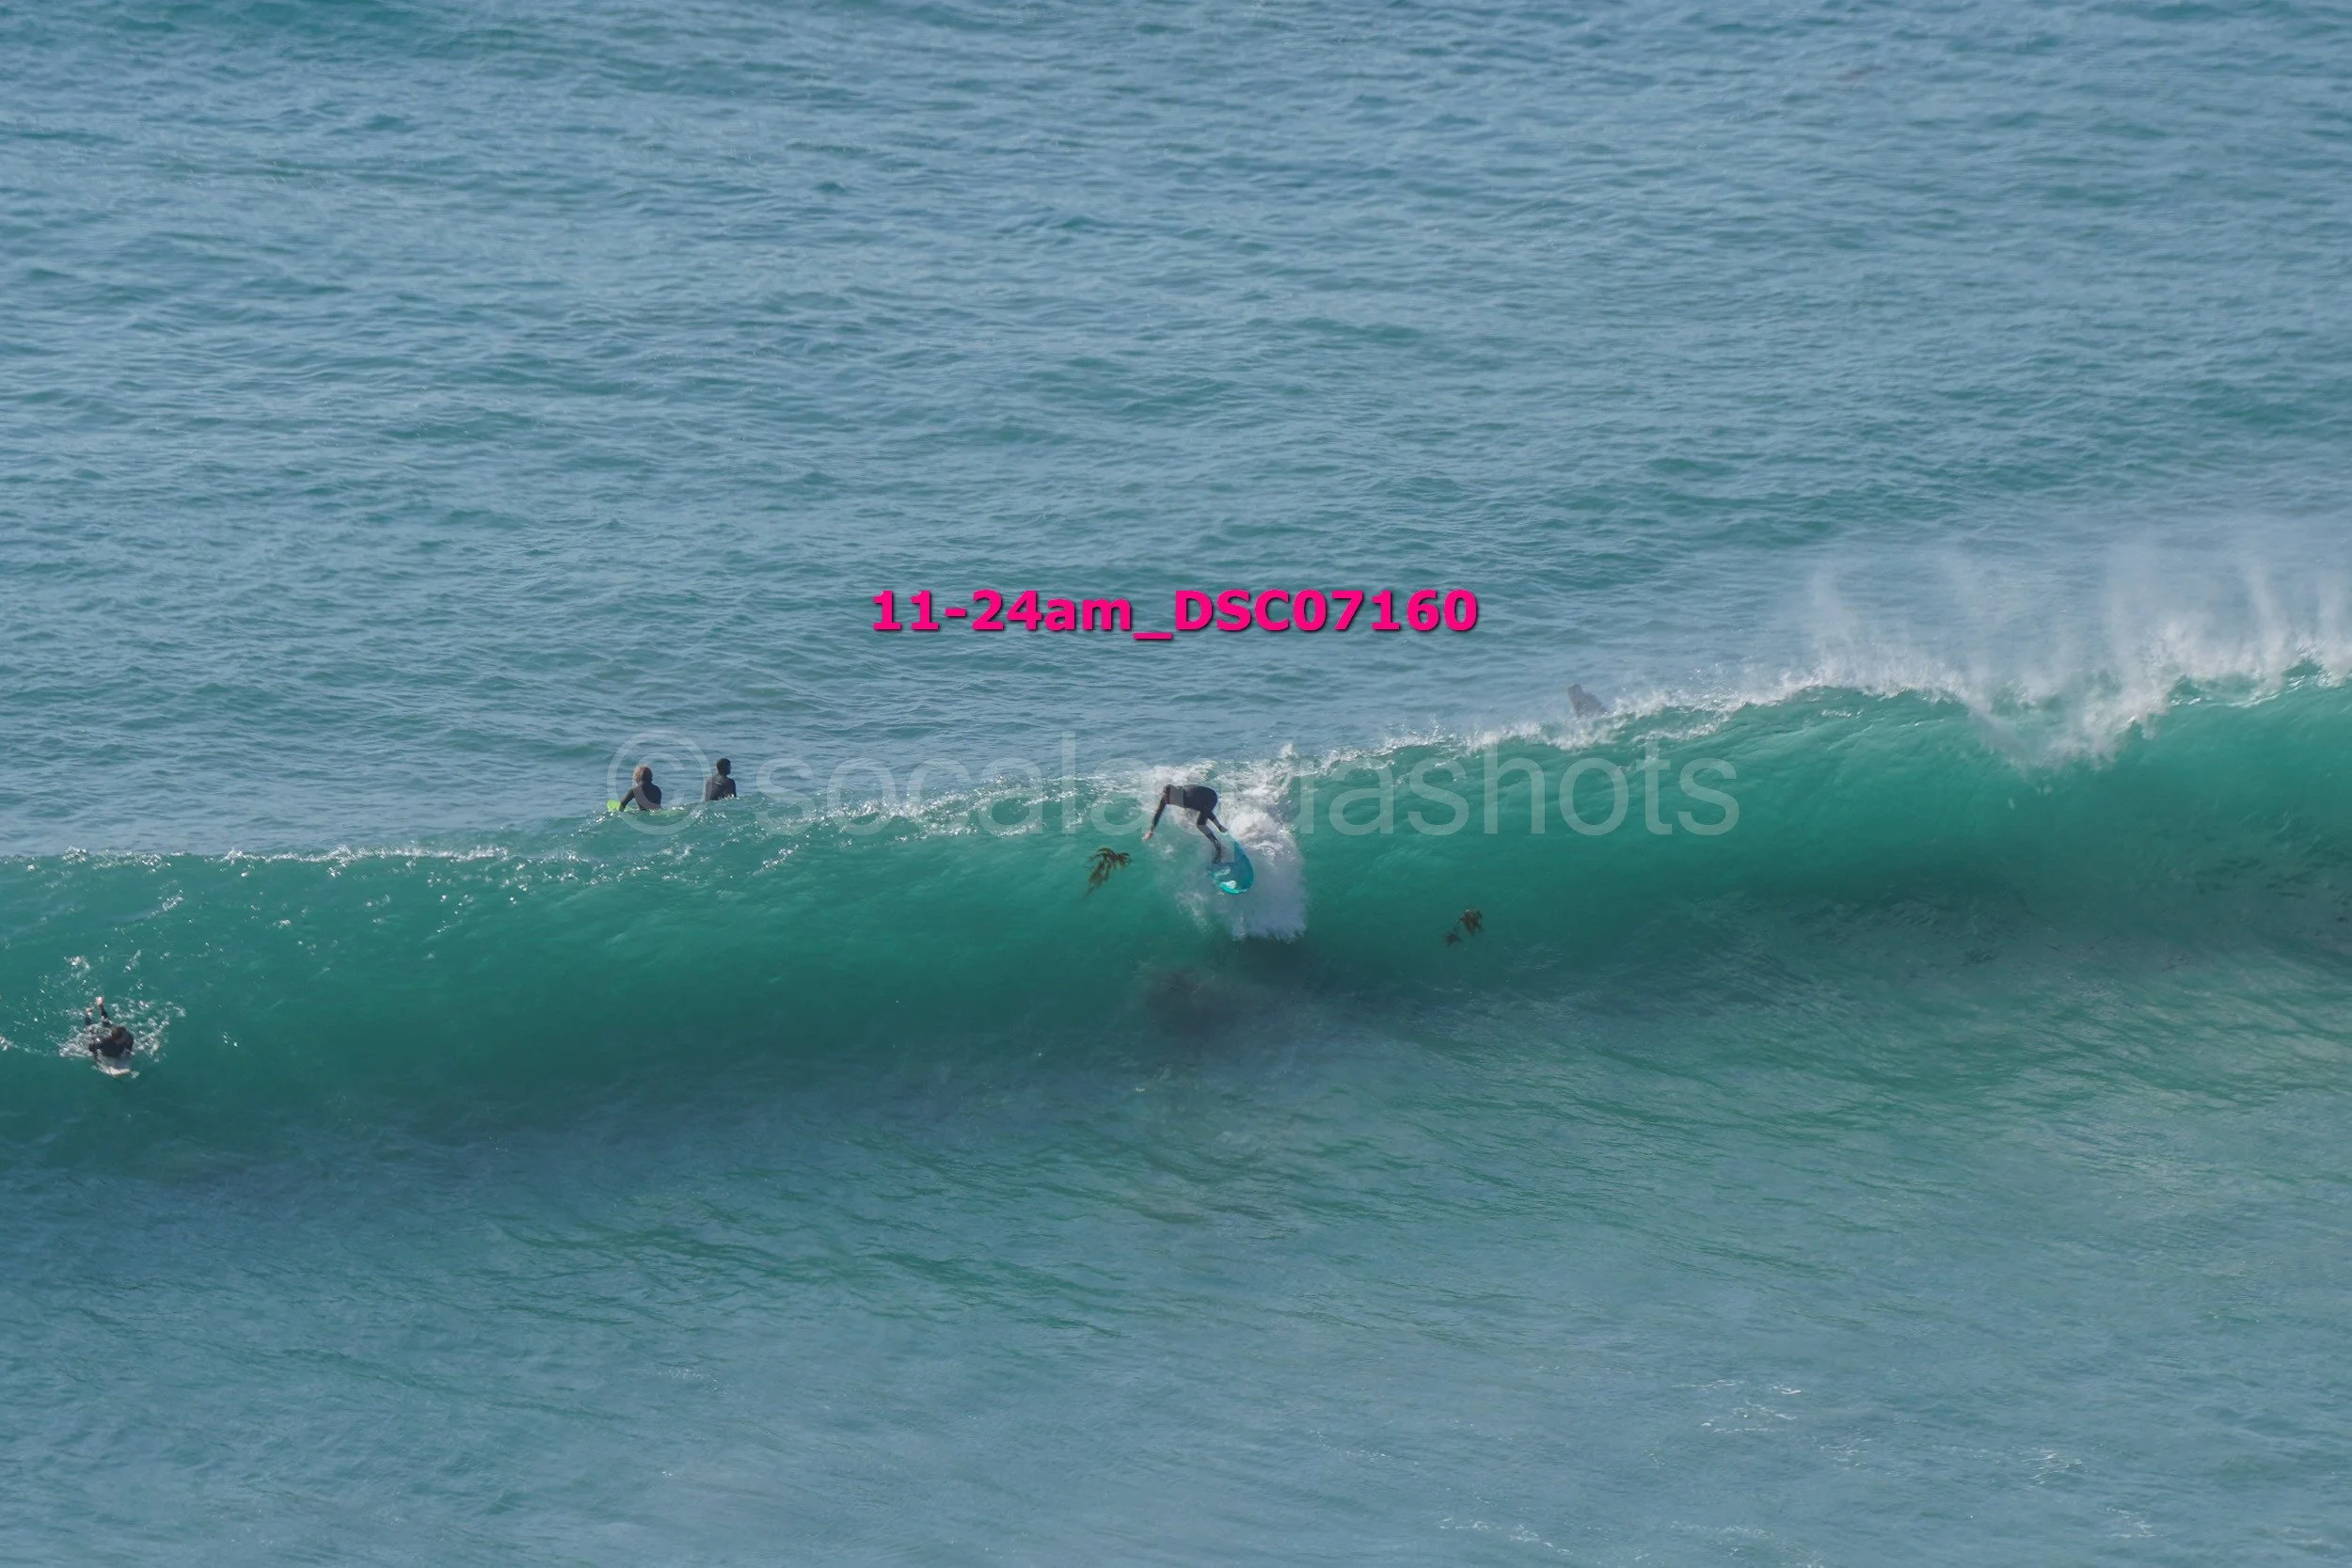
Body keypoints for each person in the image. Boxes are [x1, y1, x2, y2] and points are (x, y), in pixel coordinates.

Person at [1145, 783, 1227, 860]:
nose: (1167, 801)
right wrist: (1151, 830)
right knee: (1189, 816)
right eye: (1166, 798)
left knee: (1200, 824)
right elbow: (1158, 812)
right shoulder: (1165, 798)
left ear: (1175, 796)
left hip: (1210, 797)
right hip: (1199, 796)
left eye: (1170, 799)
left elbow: (1206, 810)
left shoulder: (1187, 799)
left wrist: (1219, 826)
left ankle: (1219, 848)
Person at [83, 997, 135, 1062]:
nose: (127, 1035)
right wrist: (96, 1058)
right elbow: (92, 1046)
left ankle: (101, 1007)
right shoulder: (103, 1041)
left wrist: (127, 1056)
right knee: (90, 1029)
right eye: (125, 1035)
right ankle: (89, 1013)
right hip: (102, 1037)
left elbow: (128, 1049)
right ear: (119, 1039)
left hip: (113, 1040)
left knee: (106, 1022)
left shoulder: (129, 1038)